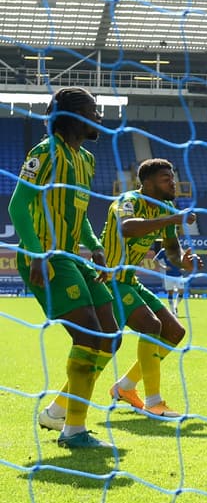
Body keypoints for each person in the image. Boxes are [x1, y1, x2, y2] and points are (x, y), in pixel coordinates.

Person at [11, 88, 121, 450]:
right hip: (46, 257)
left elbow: (80, 213)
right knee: (88, 335)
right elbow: (17, 206)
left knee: (111, 336)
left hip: (74, 256)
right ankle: (74, 431)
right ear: (73, 115)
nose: (100, 117)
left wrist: (98, 247)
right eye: (93, 110)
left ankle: (59, 409)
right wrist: (36, 253)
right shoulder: (45, 153)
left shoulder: (86, 159)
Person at [101, 159, 200, 419]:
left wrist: (183, 262)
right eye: (166, 178)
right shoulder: (128, 200)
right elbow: (127, 228)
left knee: (175, 332)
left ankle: (124, 387)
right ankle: (154, 403)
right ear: (147, 183)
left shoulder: (166, 207)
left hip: (128, 280)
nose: (173, 183)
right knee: (150, 326)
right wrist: (173, 217)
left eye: (173, 178)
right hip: (107, 279)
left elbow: (171, 248)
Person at [153, 237, 186, 310]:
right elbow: (155, 260)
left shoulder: (178, 250)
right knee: (170, 293)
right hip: (168, 276)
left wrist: (183, 267)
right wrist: (164, 267)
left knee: (181, 291)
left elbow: (184, 259)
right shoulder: (163, 251)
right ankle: (173, 311)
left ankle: (175, 306)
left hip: (178, 275)